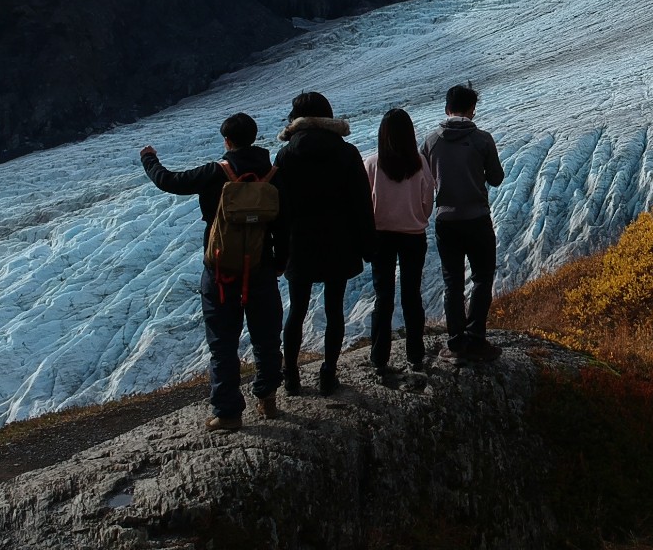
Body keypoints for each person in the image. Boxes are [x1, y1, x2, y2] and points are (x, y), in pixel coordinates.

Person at [141, 113, 284, 432]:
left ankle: (228, 412)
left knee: (223, 342)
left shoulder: (215, 172)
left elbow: (169, 181)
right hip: (261, 268)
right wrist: (280, 262)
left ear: (227, 141)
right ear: (254, 137)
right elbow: (284, 223)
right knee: (266, 337)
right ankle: (268, 396)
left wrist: (149, 159)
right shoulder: (273, 173)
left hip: (220, 271)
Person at [274, 91, 374, 394]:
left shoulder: (286, 155)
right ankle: (328, 373)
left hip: (299, 241)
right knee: (334, 310)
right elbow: (361, 202)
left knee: (297, 310)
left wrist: (279, 250)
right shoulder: (346, 152)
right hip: (338, 240)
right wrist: (367, 244)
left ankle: (290, 375)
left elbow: (278, 206)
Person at [423, 82, 504, 360]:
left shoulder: (431, 141)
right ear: (472, 110)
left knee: (452, 282)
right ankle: (477, 339)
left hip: (446, 221)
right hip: (477, 218)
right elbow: (496, 178)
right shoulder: (483, 139)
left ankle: (456, 343)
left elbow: (424, 180)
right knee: (482, 278)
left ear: (446, 109)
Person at [364, 107, 436, 383]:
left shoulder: (371, 164)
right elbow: (427, 200)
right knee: (411, 295)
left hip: (381, 236)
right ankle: (415, 356)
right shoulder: (419, 163)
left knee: (383, 297)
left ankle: (379, 358)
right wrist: (416, 217)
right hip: (412, 236)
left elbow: (364, 204)